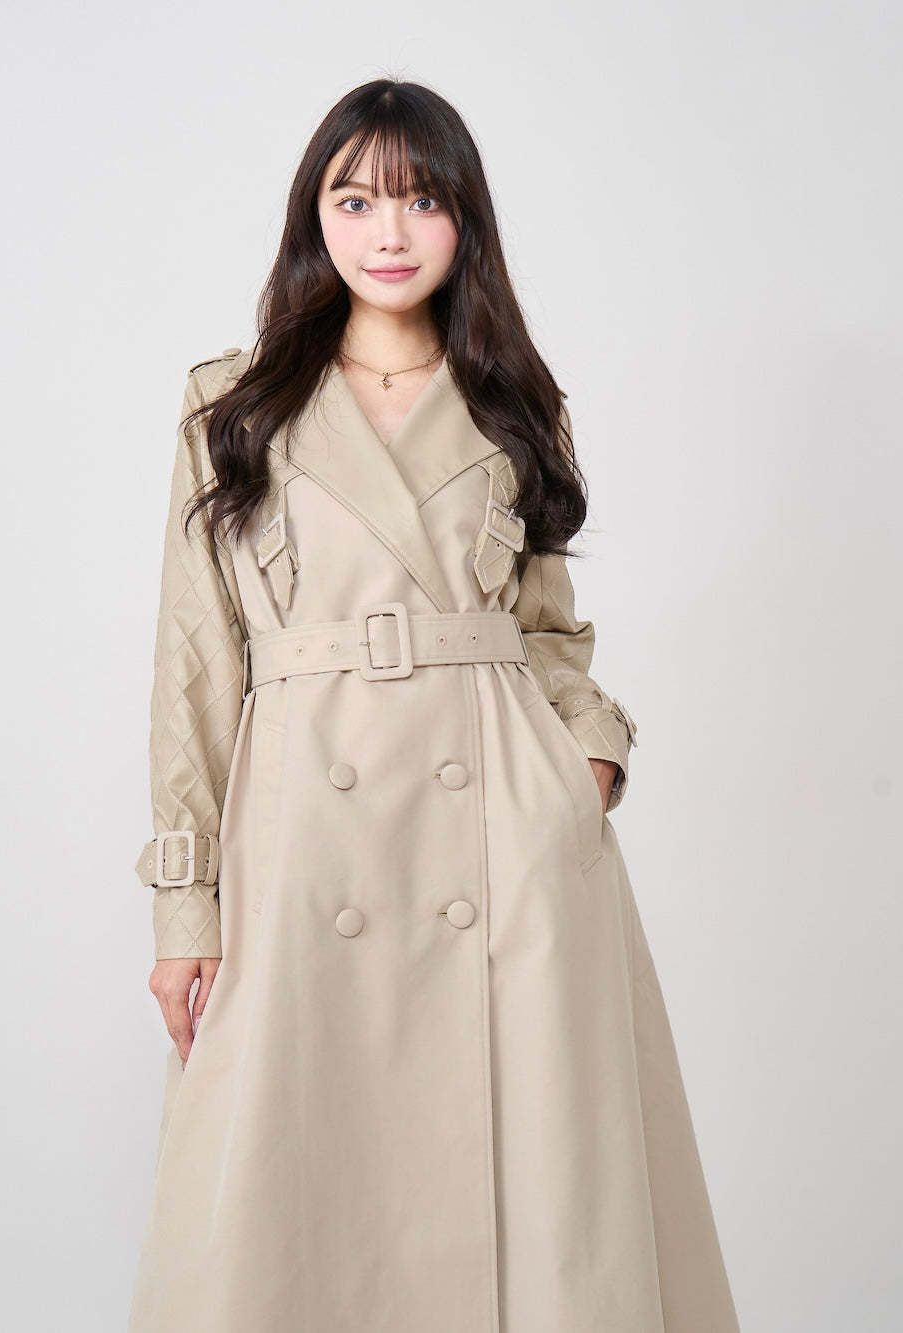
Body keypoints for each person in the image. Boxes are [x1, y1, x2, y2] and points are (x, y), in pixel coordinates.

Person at [127, 77, 740, 1333]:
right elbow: (193, 659)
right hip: (308, 838)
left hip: (503, 839)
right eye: (354, 200)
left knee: (538, 1198)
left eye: (420, 200)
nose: (389, 232)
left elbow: (549, 634)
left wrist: (582, 773)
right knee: (292, 1201)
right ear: (314, 218)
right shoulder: (232, 404)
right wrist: (186, 901)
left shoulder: (513, 400)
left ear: (466, 219)